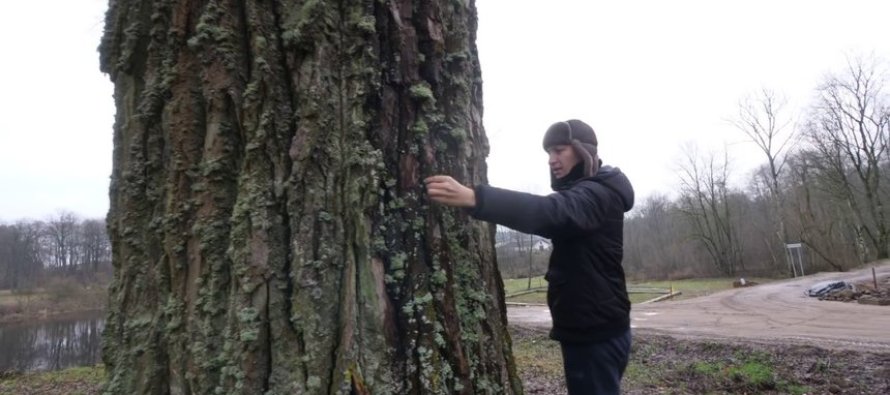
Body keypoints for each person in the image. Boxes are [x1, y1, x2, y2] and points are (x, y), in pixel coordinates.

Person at [425, 119, 635, 395]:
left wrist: (475, 198)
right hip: (596, 328)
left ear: (583, 151)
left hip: (595, 335)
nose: (552, 160)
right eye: (548, 153)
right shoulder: (595, 192)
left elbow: (550, 212)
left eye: (559, 150)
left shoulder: (596, 195)